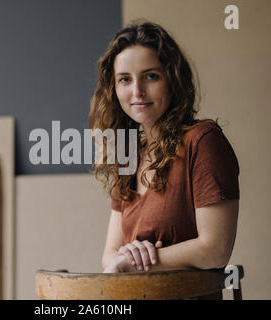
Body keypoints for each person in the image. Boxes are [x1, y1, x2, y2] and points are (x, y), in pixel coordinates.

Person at [88, 20, 240, 291]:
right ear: (114, 89)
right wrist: (129, 256)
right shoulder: (128, 155)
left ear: (172, 79)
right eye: (125, 79)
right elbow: (109, 255)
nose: (137, 92)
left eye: (151, 76)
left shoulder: (203, 141)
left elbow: (216, 249)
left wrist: (140, 261)